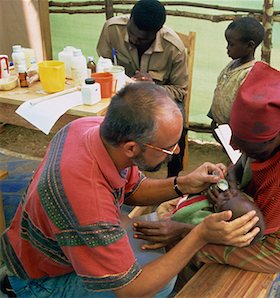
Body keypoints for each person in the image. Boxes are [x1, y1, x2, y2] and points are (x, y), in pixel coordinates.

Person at [0, 83, 260, 297]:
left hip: (40, 249)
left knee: (143, 239)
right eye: (169, 148)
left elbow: (134, 189)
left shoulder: (88, 128)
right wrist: (199, 235)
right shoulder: (87, 196)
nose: (177, 151)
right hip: (40, 281)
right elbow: (131, 288)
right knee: (158, 286)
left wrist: (183, 183)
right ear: (132, 148)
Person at [134, 62, 280, 273]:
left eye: (244, 144)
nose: (234, 145)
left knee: (184, 248)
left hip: (277, 243)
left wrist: (182, 231)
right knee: (173, 207)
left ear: (277, 134)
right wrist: (230, 182)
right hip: (253, 209)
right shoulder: (276, 125)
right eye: (234, 134)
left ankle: (185, 286)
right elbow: (242, 164)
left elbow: (251, 233)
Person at [96, 0, 188, 177]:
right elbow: (103, 66)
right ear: (129, 20)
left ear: (157, 32)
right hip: (123, 97)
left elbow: (180, 91)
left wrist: (153, 88)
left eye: (142, 39)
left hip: (160, 100)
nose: (134, 40)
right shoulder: (112, 29)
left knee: (178, 123)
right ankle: (111, 171)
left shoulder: (174, 48)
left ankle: (174, 176)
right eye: (132, 33)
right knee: (105, 121)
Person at [207, 16, 265, 127]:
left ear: (250, 46)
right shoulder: (231, 65)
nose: (227, 48)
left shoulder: (248, 74)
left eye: (231, 44)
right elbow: (220, 90)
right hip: (220, 126)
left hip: (234, 130)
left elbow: (246, 110)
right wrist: (213, 117)